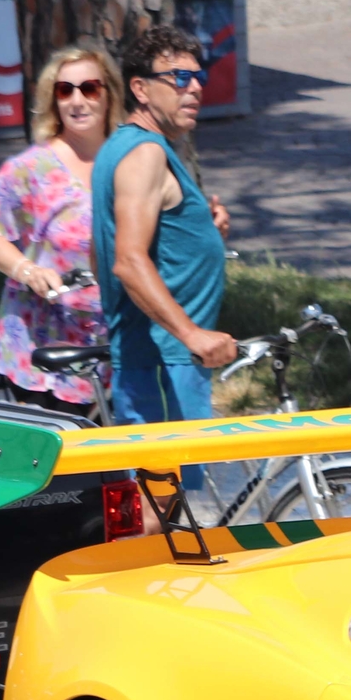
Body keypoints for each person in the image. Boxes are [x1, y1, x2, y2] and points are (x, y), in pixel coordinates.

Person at [93, 24, 235, 425]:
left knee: (167, 488)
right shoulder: (145, 154)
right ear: (140, 89)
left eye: (198, 77)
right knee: (166, 489)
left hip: (161, 358)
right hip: (163, 362)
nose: (194, 88)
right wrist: (191, 334)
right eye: (179, 78)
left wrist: (203, 234)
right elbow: (126, 260)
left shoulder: (121, 148)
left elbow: (97, 250)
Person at [0, 45, 118, 410]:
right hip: (45, 344)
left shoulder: (130, 158)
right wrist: (27, 270)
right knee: (66, 462)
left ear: (110, 93)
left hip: (115, 336)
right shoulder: (33, 168)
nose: (77, 101)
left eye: (89, 88)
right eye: (65, 91)